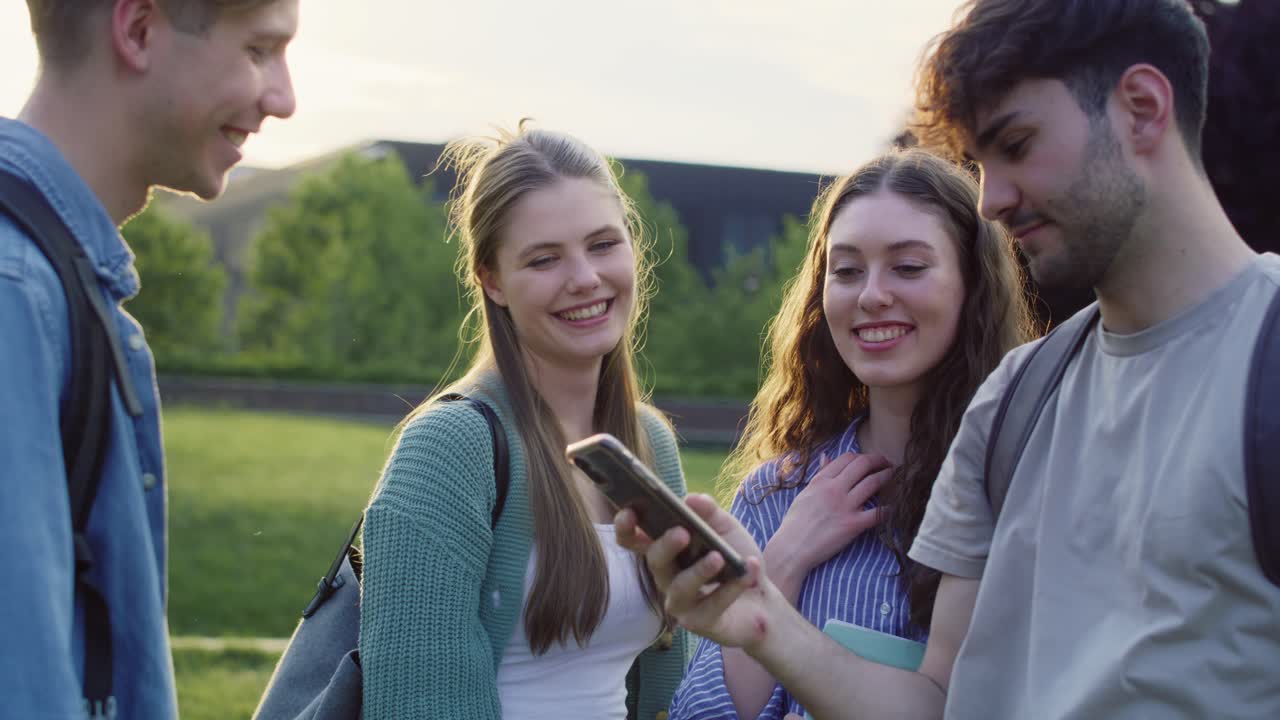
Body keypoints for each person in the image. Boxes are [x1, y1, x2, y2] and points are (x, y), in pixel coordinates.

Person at [617, 1, 1280, 718]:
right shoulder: (1015, 401)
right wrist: (762, 619)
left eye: (1017, 144)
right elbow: (937, 702)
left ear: (1143, 107)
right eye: (982, 162)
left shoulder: (1262, 355)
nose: (991, 199)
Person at [0, 1, 297, 717]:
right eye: (260, 50)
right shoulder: (17, 294)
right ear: (137, 29)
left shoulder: (56, 280)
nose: (285, 98)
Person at [667, 149, 1034, 720]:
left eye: (908, 267)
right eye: (846, 270)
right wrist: (783, 562)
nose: (871, 295)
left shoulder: (1024, 482)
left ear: (972, 285)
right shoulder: (777, 494)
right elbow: (703, 716)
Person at [358, 124, 690, 720]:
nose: (585, 278)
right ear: (491, 279)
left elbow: (676, 680)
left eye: (603, 244)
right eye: (544, 259)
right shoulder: (449, 447)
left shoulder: (649, 442)